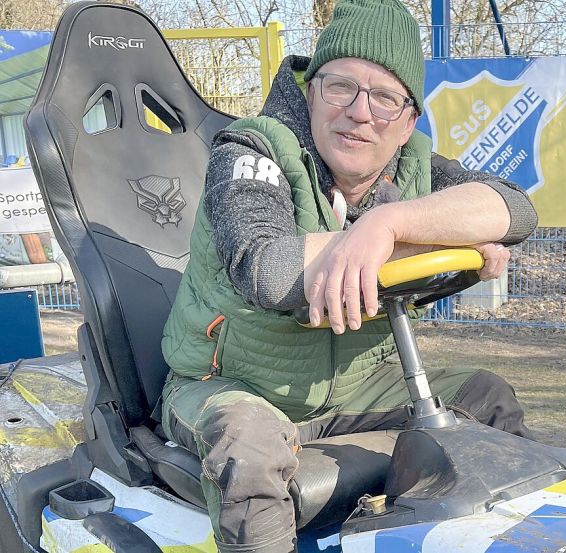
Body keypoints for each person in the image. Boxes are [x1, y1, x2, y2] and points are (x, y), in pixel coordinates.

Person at [158, 0, 538, 551]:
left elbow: (516, 211)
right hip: (228, 386)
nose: (360, 113)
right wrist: (429, 235)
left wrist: (389, 222)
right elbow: (267, 269)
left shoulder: (416, 173)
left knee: (486, 398)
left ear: (407, 123)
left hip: (354, 391)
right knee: (253, 447)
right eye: (340, 87)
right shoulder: (252, 152)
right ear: (311, 93)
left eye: (384, 97)